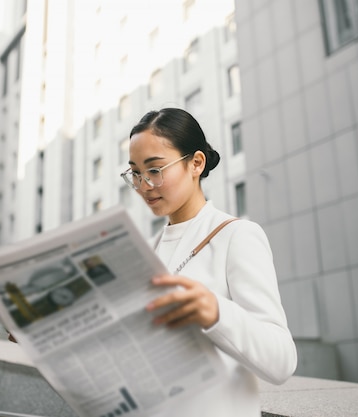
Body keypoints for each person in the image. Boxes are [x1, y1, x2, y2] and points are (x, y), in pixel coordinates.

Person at [121, 108, 297, 417]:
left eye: (155, 169)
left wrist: (217, 313)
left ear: (196, 163)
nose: (144, 185)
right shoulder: (146, 252)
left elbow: (281, 361)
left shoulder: (238, 236)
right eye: (135, 173)